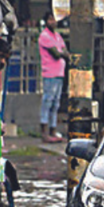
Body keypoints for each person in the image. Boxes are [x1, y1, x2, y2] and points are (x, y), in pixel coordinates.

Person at [38, 12, 70, 143]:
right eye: (50, 19)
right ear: (46, 21)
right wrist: (64, 54)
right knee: (48, 101)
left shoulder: (57, 36)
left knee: (56, 103)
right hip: (50, 73)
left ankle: (52, 130)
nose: (53, 22)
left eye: (54, 19)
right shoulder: (44, 36)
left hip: (59, 73)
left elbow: (65, 51)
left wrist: (64, 54)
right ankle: (44, 132)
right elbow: (57, 54)